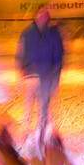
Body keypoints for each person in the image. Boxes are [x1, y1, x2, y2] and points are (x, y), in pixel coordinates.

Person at [17, 7, 66, 142]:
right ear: (36, 16)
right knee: (28, 105)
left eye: (46, 14)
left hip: (46, 75)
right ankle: (25, 130)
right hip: (30, 75)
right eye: (41, 13)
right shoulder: (27, 33)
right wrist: (21, 69)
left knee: (44, 106)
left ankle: (42, 131)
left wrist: (56, 76)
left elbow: (59, 56)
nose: (44, 16)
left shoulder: (54, 34)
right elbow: (20, 53)